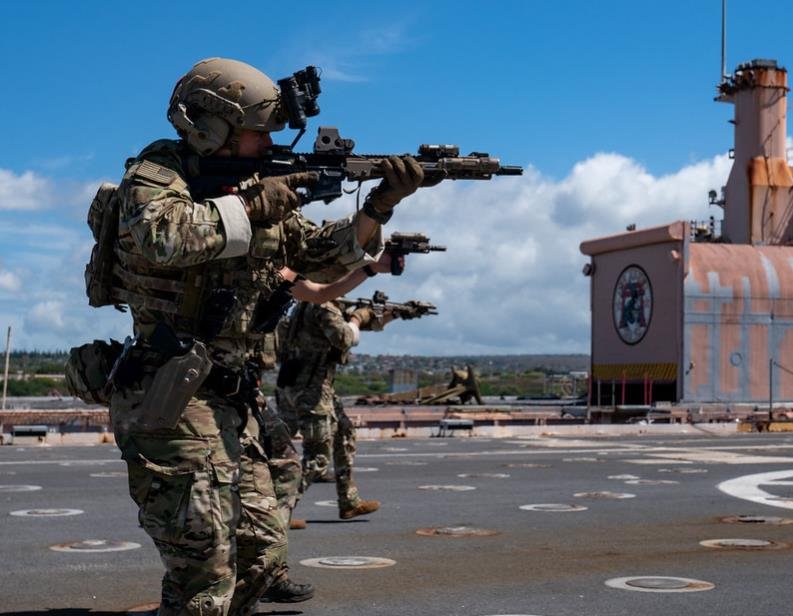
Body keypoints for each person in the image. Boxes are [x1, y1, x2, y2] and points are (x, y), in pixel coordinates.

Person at [106, 57, 424, 616]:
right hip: (171, 391)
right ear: (210, 127)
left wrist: (378, 206)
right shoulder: (158, 175)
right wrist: (256, 204)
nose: (267, 144)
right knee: (206, 571)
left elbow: (319, 255)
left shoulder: (251, 185)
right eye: (258, 133)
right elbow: (163, 238)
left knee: (260, 554)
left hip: (234, 392)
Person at [276, 300, 397, 521]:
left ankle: (349, 500)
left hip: (298, 385)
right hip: (312, 390)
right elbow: (344, 338)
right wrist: (357, 318)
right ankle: (279, 512)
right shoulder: (323, 306)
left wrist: (386, 316)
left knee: (344, 431)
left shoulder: (303, 306)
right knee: (317, 457)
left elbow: (347, 327)